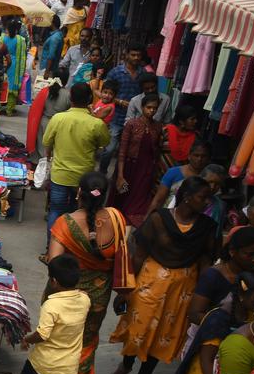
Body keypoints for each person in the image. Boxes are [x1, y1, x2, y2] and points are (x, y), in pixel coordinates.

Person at [108, 176, 220, 374]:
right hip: (151, 282)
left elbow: (205, 261)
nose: (207, 202)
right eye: (202, 197)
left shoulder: (207, 227)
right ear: (187, 197)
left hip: (183, 288)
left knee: (164, 336)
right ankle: (125, 367)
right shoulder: (159, 219)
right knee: (138, 329)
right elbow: (138, 255)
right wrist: (125, 290)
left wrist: (205, 294)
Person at [45, 172, 128, 374]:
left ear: (78, 194)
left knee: (60, 337)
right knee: (88, 339)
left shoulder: (65, 222)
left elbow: (55, 263)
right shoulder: (117, 219)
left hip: (68, 294)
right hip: (99, 295)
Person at [20, 255, 91, 374]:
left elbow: (43, 334)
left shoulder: (52, 305)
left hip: (42, 361)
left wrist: (27, 339)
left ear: (54, 281)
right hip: (66, 367)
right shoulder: (85, 300)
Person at [42, 82, 110, 231]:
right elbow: (105, 142)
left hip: (60, 175)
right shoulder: (96, 124)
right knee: (78, 213)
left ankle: (50, 250)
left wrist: (50, 155)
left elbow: (47, 142)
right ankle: (72, 247)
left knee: (55, 211)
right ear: (89, 100)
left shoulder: (58, 118)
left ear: (71, 99)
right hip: (84, 178)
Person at [186, 226, 254, 327]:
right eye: (249, 254)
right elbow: (195, 314)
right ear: (232, 251)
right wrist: (225, 329)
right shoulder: (212, 276)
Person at [111, 92, 164, 227]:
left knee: (138, 203)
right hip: (129, 167)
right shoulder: (132, 124)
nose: (152, 110)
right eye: (149, 107)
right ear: (142, 107)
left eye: (154, 108)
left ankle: (128, 229)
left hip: (146, 169)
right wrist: (120, 175)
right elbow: (122, 150)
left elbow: (157, 150)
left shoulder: (158, 126)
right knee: (122, 196)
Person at [100, 40, 150, 172]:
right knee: (109, 149)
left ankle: (118, 175)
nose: (136, 58)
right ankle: (102, 172)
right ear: (126, 55)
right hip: (116, 117)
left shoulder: (144, 73)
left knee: (127, 152)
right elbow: (104, 94)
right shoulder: (115, 72)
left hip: (135, 119)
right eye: (133, 55)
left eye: (138, 55)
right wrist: (120, 102)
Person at [0, 20, 27, 114]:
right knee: (12, 86)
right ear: (16, 29)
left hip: (4, 62)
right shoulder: (20, 40)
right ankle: (9, 110)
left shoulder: (3, 38)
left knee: (3, 84)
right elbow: (23, 56)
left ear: (7, 28)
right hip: (15, 65)